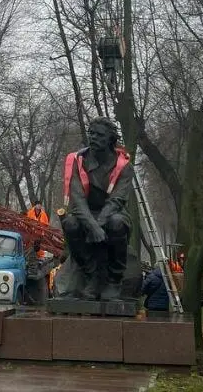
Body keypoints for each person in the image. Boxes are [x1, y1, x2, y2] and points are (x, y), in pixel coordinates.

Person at [55, 117, 134, 301]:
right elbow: (78, 200)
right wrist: (93, 226)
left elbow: (117, 200)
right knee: (71, 223)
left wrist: (99, 224)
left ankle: (114, 279)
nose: (93, 137)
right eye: (91, 133)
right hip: (86, 213)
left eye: (99, 135)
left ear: (110, 140)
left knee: (116, 224)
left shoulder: (124, 166)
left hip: (113, 213)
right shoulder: (77, 161)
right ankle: (91, 275)